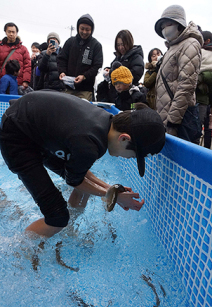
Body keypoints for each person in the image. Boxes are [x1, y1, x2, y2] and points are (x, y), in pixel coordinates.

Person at [0, 90, 165, 238]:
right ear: (124, 138)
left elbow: (78, 174)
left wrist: (112, 190)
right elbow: (74, 181)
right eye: (133, 156)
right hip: (17, 136)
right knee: (57, 217)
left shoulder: (103, 123)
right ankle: (17, 250)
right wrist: (114, 196)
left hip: (32, 130)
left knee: (82, 187)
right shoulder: (89, 143)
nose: (128, 159)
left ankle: (68, 231)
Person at [154, 5, 203, 140]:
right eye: (162, 26)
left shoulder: (189, 44)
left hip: (178, 120)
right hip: (167, 117)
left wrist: (173, 122)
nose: (165, 29)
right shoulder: (172, 48)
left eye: (168, 24)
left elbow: (186, 85)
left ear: (179, 24)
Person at [57, 14, 103, 101]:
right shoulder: (70, 42)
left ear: (91, 30)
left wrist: (84, 76)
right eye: (82, 29)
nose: (84, 32)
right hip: (68, 88)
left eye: (87, 29)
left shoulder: (96, 45)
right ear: (78, 27)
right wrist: (62, 71)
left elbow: (97, 66)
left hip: (85, 90)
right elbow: (61, 59)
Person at [106, 30, 144, 103]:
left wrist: (118, 74)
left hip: (129, 96)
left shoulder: (136, 56)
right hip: (115, 96)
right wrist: (109, 70)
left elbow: (136, 73)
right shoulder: (118, 57)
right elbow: (113, 70)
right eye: (118, 45)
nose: (121, 47)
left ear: (129, 43)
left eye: (123, 44)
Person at [0, 22, 31, 92]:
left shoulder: (23, 49)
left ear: (16, 33)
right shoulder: (0, 47)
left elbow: (27, 66)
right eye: (9, 32)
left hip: (18, 83)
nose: (11, 34)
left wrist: (26, 80)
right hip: (2, 82)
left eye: (13, 32)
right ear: (5, 32)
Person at [196, 30, 212, 148]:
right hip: (202, 97)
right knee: (199, 127)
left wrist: (201, 76)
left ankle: (205, 152)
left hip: (205, 99)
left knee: (205, 128)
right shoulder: (198, 52)